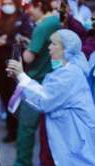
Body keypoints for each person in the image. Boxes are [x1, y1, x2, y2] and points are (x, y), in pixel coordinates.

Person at [7, 29, 95, 166]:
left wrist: (21, 75)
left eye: (54, 44)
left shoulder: (70, 74)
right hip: (63, 138)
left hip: (72, 141)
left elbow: (44, 99)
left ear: (66, 49)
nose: (49, 47)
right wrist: (19, 77)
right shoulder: (66, 71)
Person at [13, 0, 61, 165]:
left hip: (37, 81)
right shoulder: (56, 20)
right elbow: (45, 49)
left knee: (26, 128)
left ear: (40, 5)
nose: (28, 11)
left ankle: (22, 163)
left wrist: (22, 51)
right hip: (51, 79)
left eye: (30, 7)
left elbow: (28, 57)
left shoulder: (43, 26)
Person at [0, 0, 33, 142]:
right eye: (5, 2)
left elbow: (26, 39)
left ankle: (19, 132)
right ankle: (12, 130)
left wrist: (7, 42)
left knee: (17, 98)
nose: (7, 4)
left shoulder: (23, 19)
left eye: (10, 1)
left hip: (16, 66)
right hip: (0, 68)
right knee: (6, 99)